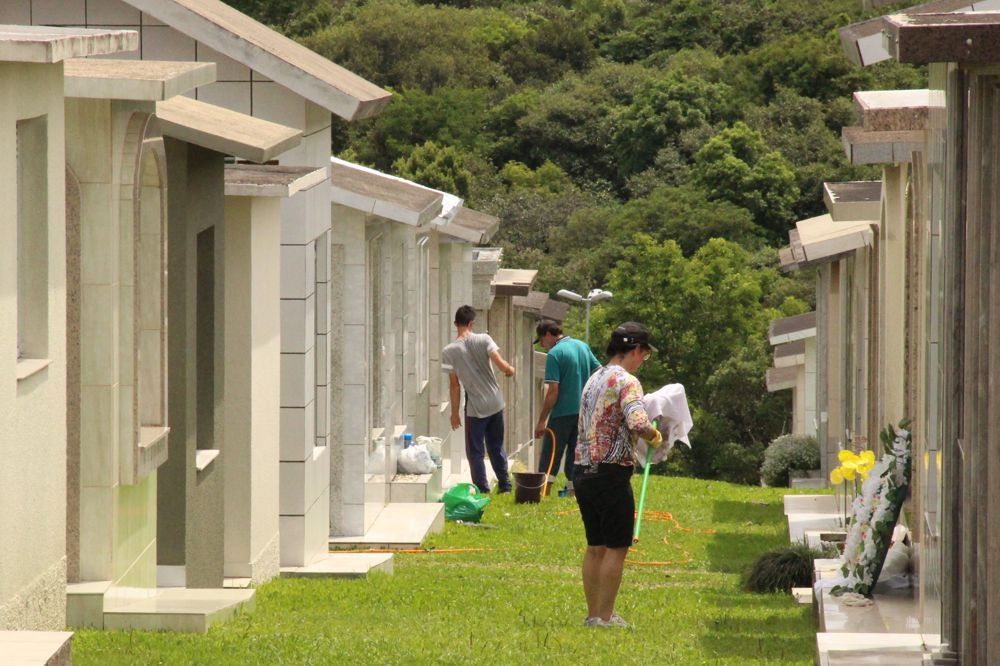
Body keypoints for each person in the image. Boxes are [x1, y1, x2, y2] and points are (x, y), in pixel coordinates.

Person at [574, 322, 663, 628]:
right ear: (636, 350)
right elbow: (638, 421)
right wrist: (654, 435)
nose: (642, 361)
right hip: (610, 472)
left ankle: (592, 614)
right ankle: (606, 615)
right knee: (617, 545)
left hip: (582, 469)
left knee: (595, 545)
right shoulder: (627, 381)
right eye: (644, 355)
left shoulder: (593, 378)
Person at [442, 305, 516, 494]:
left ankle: (482, 489)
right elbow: (500, 364)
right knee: (496, 445)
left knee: (475, 451)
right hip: (496, 402)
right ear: (472, 323)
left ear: (455, 324)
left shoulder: (449, 352)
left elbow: (454, 386)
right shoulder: (484, 339)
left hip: (476, 409)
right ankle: (505, 485)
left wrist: (454, 414)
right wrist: (510, 370)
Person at [533, 318, 600, 492]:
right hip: (583, 412)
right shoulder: (582, 346)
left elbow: (553, 391)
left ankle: (543, 490)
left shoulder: (555, 353)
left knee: (551, 452)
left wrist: (541, 421)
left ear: (548, 334)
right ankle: (573, 490)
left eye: (541, 340)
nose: (542, 344)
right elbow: (600, 373)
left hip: (562, 412)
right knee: (575, 453)